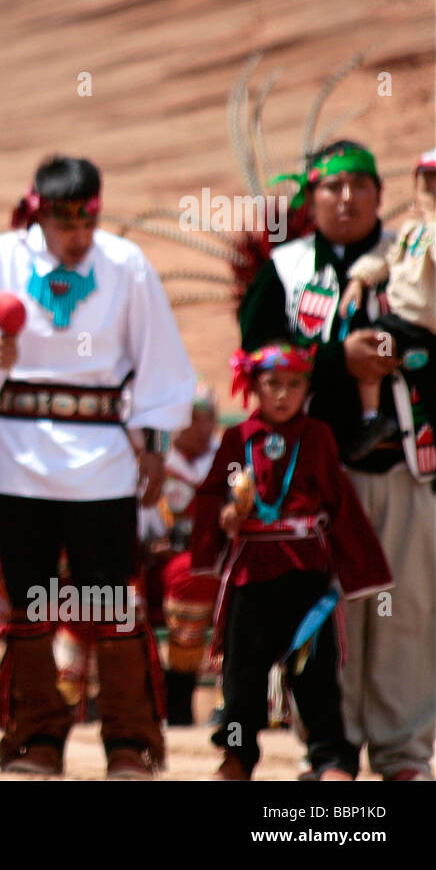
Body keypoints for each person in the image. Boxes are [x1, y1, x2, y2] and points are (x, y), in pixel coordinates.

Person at [0, 155, 195, 778]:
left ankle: (130, 742)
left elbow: (160, 361)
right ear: (38, 213)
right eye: (65, 223)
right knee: (30, 604)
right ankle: (33, 741)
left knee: (112, 602)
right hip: (18, 458)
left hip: (104, 460)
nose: (78, 236)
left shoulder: (126, 267)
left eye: (88, 222)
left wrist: (154, 444)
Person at [240, 138, 435, 781]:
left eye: (360, 186)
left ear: (382, 194)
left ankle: (404, 753)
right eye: (332, 188)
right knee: (331, 616)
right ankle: (332, 750)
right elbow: (256, 352)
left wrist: (399, 353)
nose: (346, 199)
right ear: (312, 198)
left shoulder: (415, 252)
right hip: (318, 481)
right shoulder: (287, 269)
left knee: (405, 611)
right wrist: (334, 361)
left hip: (407, 467)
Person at [190, 344, 392, 780]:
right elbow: (212, 493)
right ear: (253, 387)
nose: (282, 395)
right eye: (272, 384)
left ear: (307, 389)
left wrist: (361, 569)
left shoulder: (318, 436)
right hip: (250, 572)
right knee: (241, 677)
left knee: (316, 676)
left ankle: (331, 760)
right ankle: (238, 757)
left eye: (294, 385)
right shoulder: (237, 438)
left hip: (305, 576)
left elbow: (341, 503)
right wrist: (226, 515)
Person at [335, 148, 435, 461]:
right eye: (426, 184)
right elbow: (384, 257)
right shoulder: (409, 233)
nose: (432, 192)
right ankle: (372, 417)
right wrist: (358, 280)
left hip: (430, 329)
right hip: (401, 325)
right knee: (373, 351)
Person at [139, 384, 221, 725]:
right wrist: (150, 545)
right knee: (189, 575)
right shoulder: (157, 463)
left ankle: (228, 704)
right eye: (193, 419)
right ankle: (176, 698)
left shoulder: (227, 459)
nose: (202, 427)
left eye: (208, 419)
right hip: (165, 568)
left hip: (221, 566)